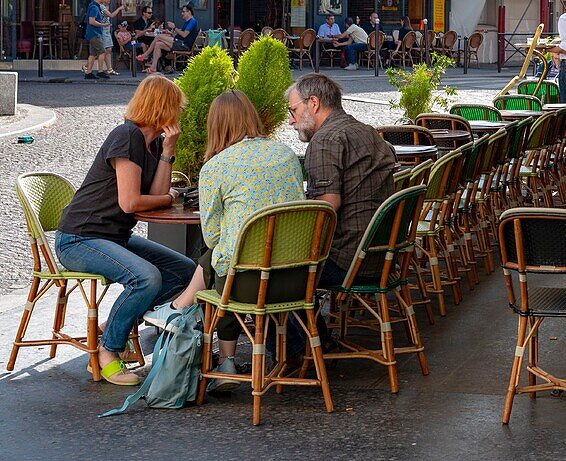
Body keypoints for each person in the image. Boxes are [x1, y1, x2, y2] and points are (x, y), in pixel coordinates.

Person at [148, 90, 307, 390]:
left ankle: (217, 351)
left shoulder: (216, 168)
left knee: (223, 260)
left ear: (216, 125)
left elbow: (211, 236)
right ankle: (221, 356)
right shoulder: (285, 154)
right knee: (228, 258)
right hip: (296, 278)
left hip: (247, 284)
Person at [54, 75, 197, 386]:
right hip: (80, 237)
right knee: (146, 277)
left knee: (185, 272)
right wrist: (171, 196)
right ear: (164, 107)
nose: (180, 113)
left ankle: (115, 323)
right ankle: (108, 351)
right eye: (177, 107)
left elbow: (155, 198)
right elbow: (131, 202)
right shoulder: (126, 136)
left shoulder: (153, 142)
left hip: (113, 237)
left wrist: (168, 150)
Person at [286, 73, 397, 289]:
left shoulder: (325, 140)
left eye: (294, 111)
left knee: (273, 267)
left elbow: (327, 206)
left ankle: (306, 323)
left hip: (347, 262)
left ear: (314, 103)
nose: (291, 120)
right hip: (382, 256)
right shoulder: (367, 131)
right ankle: (307, 321)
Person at [139, 4, 198, 74]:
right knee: (158, 44)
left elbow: (184, 35)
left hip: (183, 45)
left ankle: (145, 54)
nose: (182, 13)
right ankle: (153, 68)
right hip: (179, 43)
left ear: (189, 12)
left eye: (184, 12)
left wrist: (174, 28)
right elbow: (181, 34)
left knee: (158, 36)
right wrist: (170, 33)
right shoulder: (188, 22)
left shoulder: (192, 21)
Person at [82, 0, 112, 80]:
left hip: (92, 33)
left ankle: (88, 72)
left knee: (92, 53)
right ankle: (100, 71)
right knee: (102, 51)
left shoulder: (93, 5)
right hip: (94, 33)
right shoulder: (95, 7)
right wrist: (103, 25)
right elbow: (92, 21)